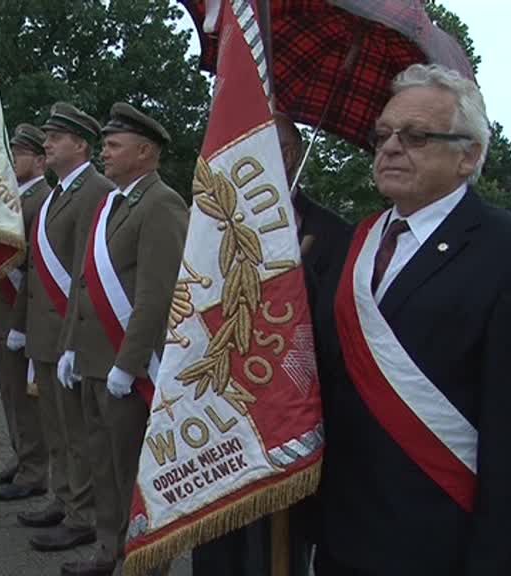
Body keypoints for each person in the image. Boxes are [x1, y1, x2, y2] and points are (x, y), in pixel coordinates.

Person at [312, 63, 511, 576]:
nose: (390, 148)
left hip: (436, 546)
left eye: (417, 136)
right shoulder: (352, 244)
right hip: (339, 536)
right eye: (383, 135)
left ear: (468, 156)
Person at [189, 113, 352, 576]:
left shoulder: (333, 232)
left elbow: (334, 325)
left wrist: (296, 286)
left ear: (285, 154)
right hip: (219, 408)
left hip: (287, 412)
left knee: (277, 548)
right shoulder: (212, 224)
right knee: (217, 537)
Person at [56, 103, 188, 576]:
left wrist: (128, 364)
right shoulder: (113, 202)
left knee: (134, 469)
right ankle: (109, 550)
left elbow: (158, 295)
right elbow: (84, 280)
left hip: (128, 368)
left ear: (144, 151)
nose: (105, 154)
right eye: (106, 144)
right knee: (103, 465)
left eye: (113, 145)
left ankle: (148, 560)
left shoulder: (162, 204)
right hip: (94, 358)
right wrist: (71, 343)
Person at [10, 102, 110, 554]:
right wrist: (20, 326)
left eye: (56, 138)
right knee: (55, 427)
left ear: (81, 145)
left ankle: (84, 514)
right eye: (46, 137)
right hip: (45, 333)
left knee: (77, 434)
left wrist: (72, 340)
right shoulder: (57, 193)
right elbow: (34, 269)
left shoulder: (95, 192)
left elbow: (89, 274)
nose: (46, 144)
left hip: (72, 337)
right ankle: (65, 498)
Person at [0, 123, 52, 502]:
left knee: (26, 400)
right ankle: (21, 455)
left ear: (39, 160)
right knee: (10, 395)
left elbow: (33, 268)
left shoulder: (40, 199)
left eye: (19, 155)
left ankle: (34, 469)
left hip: (21, 316)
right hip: (0, 311)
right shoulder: (12, 196)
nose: (12, 161)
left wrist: (17, 322)